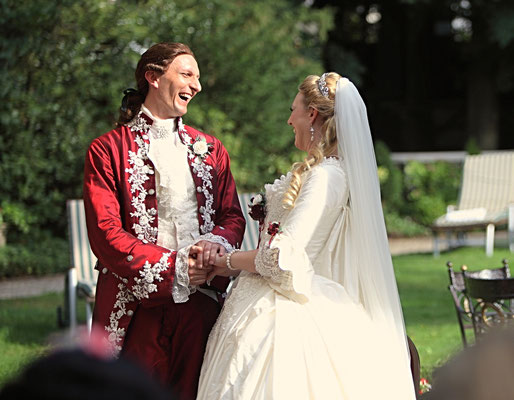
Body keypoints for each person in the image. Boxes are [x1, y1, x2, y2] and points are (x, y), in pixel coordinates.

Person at [195, 73, 417, 399]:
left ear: (312, 114)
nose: (289, 119)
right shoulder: (322, 172)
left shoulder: (326, 177)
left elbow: (278, 259)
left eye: (293, 109)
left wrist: (224, 261)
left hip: (283, 312)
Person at [83, 42, 245, 400]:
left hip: (202, 305)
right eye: (187, 74)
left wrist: (212, 246)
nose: (197, 85)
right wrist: (177, 268)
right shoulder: (107, 150)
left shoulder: (211, 149)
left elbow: (231, 214)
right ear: (153, 77)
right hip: (137, 307)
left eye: (198, 77)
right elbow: (106, 232)